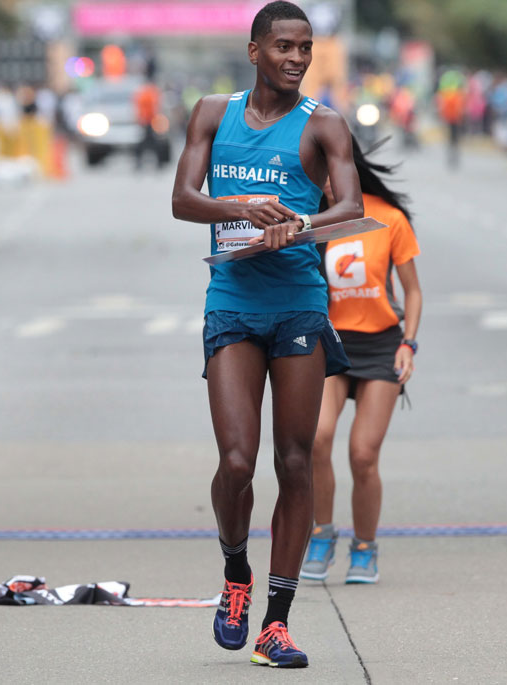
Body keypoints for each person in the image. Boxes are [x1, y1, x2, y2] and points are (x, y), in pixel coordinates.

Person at [172, 0, 363, 669]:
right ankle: (235, 573)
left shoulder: (325, 125)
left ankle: (276, 625)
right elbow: (181, 200)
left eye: (305, 48)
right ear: (254, 50)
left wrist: (300, 225)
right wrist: (240, 208)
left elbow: (351, 206)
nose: (295, 59)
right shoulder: (210, 114)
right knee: (236, 462)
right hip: (233, 300)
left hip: (298, 305)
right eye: (283, 46)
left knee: (295, 457)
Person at [300, 136, 422, 584]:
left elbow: (412, 291)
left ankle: (365, 546)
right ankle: (321, 533)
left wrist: (409, 343)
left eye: (334, 170)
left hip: (381, 346)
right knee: (316, 440)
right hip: (330, 342)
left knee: (362, 454)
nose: (327, 182)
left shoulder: (388, 218)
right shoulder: (313, 220)